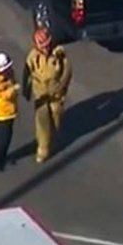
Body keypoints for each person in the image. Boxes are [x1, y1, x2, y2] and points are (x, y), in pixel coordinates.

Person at [23, 27, 72, 163]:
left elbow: (67, 72)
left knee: (56, 116)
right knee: (42, 118)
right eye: (42, 46)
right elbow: (26, 73)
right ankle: (43, 149)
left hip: (56, 93)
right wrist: (26, 91)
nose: (46, 48)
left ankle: (52, 137)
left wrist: (62, 88)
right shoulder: (32, 57)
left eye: (47, 45)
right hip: (41, 94)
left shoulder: (59, 54)